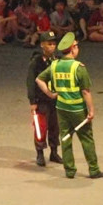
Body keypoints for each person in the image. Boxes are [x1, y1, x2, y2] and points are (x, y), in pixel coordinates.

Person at [35, 32, 103, 179]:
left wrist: (51, 94)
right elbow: (85, 92)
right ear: (72, 49)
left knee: (65, 138)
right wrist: (91, 110)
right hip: (78, 109)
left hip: (61, 108)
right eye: (77, 46)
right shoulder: (79, 67)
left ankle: (70, 170)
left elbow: (39, 79)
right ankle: (93, 169)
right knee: (86, 138)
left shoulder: (55, 65)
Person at [25, 28, 59, 168]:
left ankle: (54, 151)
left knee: (55, 126)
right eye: (48, 44)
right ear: (42, 45)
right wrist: (32, 101)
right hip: (41, 100)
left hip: (55, 100)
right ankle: (39, 153)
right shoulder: (36, 62)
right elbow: (30, 81)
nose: (52, 46)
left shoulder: (57, 60)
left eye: (53, 44)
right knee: (41, 127)